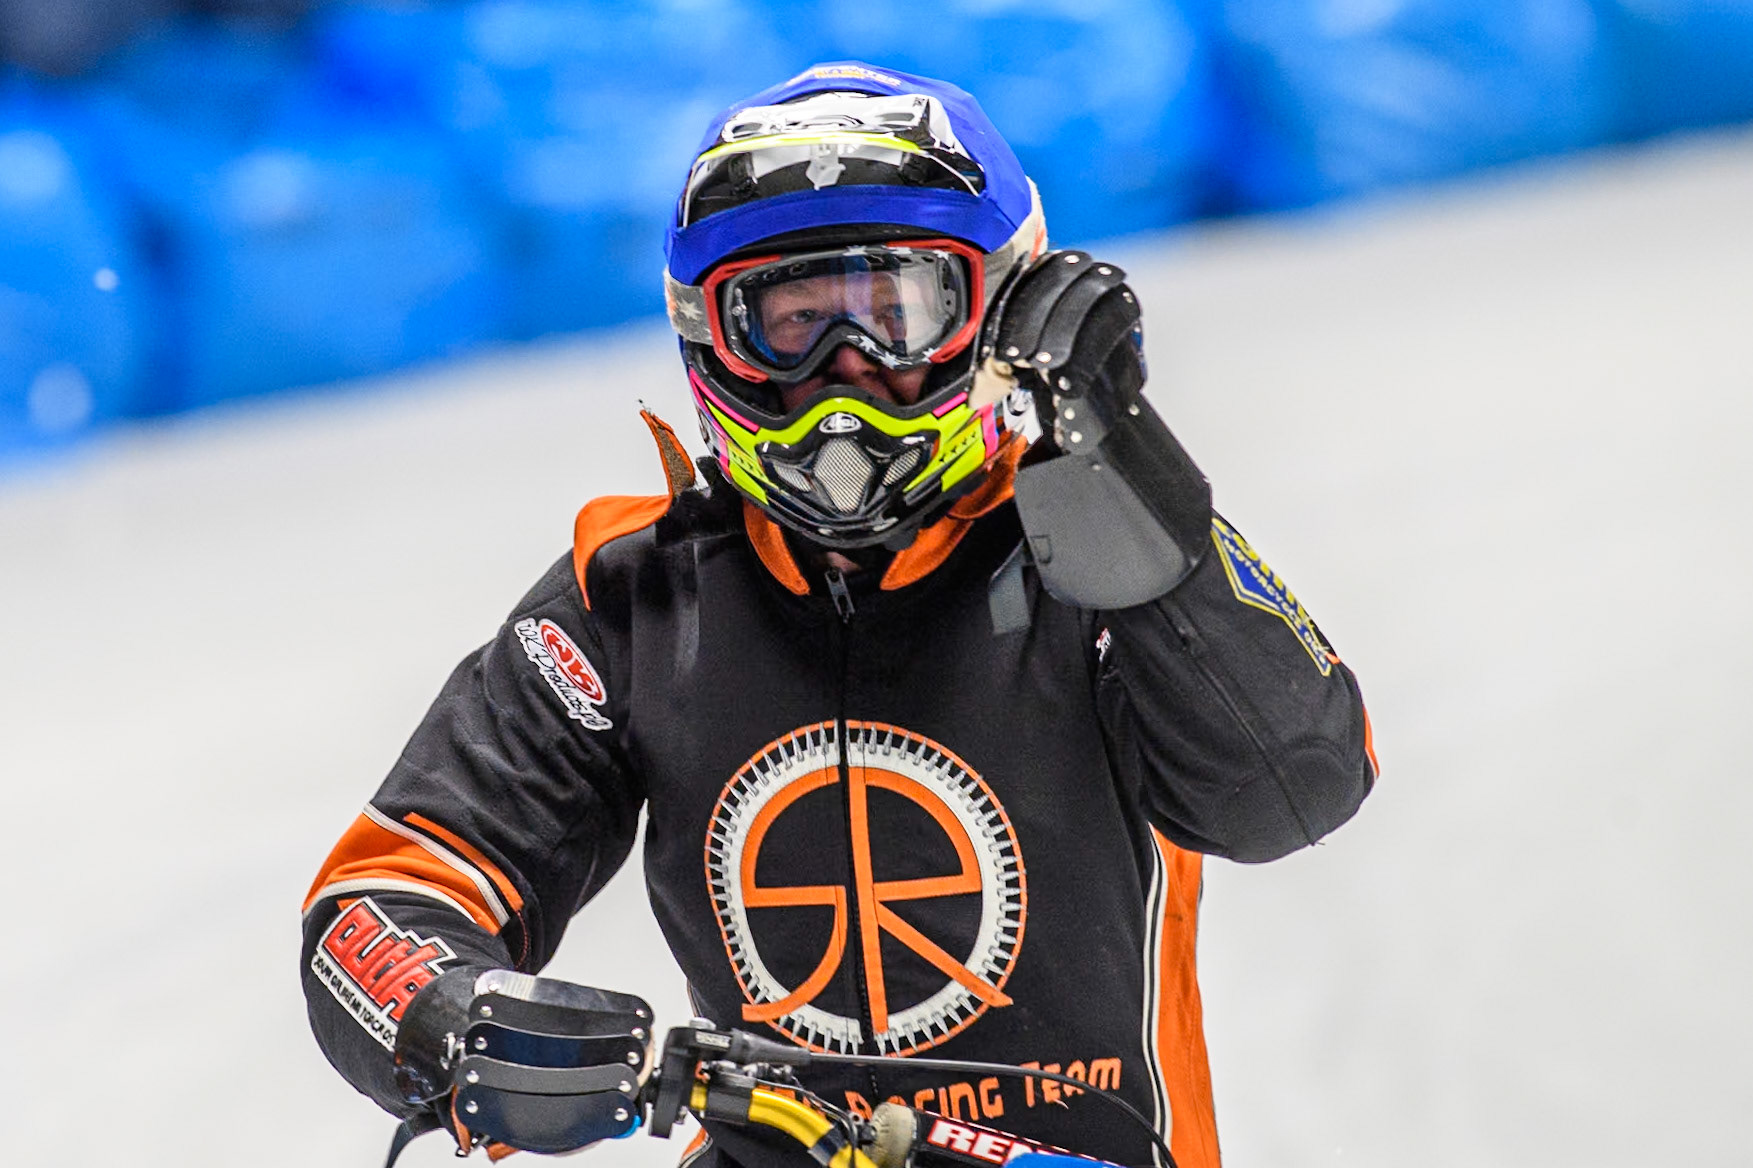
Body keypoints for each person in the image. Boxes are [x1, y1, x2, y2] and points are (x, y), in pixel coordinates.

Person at [301, 62, 1377, 1168]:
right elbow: (383, 894)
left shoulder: (1095, 546)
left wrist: (1123, 455)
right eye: (793, 322)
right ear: (707, 338)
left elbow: (1294, 786)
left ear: (997, 312)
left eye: (897, 312)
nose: (844, 376)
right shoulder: (631, 595)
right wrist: (455, 1016)